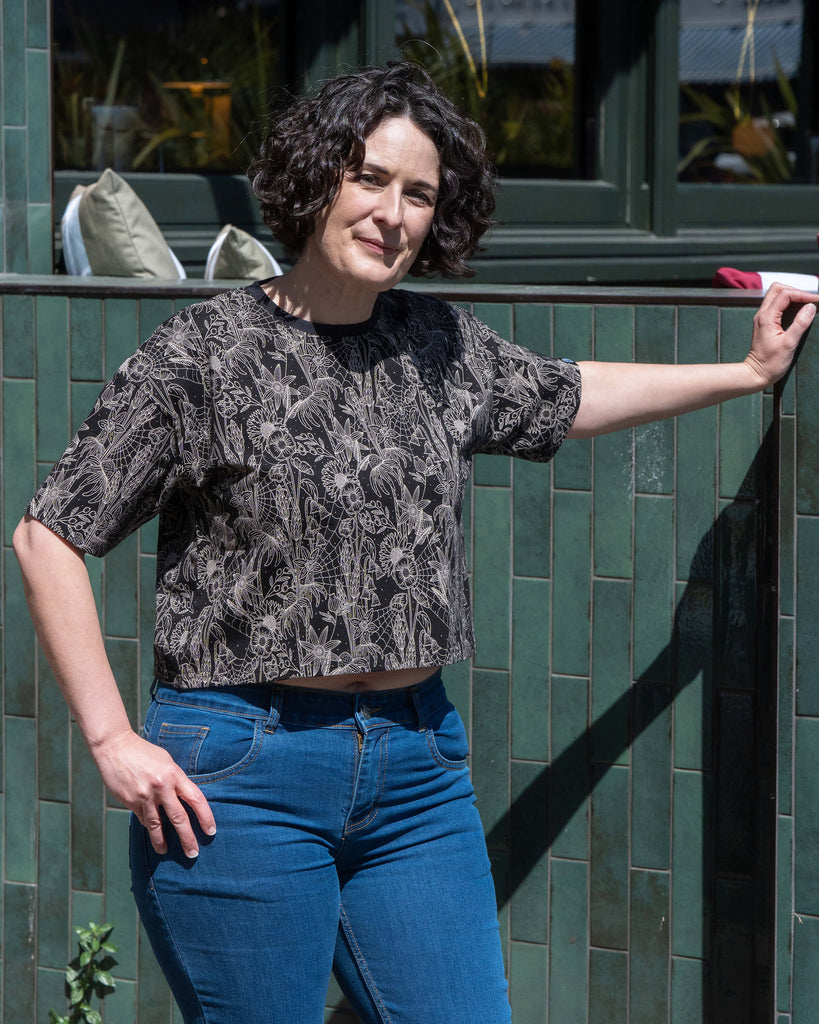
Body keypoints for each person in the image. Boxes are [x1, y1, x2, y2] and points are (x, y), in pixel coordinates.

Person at [13, 62, 816, 1024]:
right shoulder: (201, 356)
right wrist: (109, 738)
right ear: (317, 180)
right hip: (240, 777)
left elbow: (566, 394)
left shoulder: (438, 344)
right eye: (370, 178)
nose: (393, 212)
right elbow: (49, 531)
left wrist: (743, 372)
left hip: (414, 772)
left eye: (420, 194)